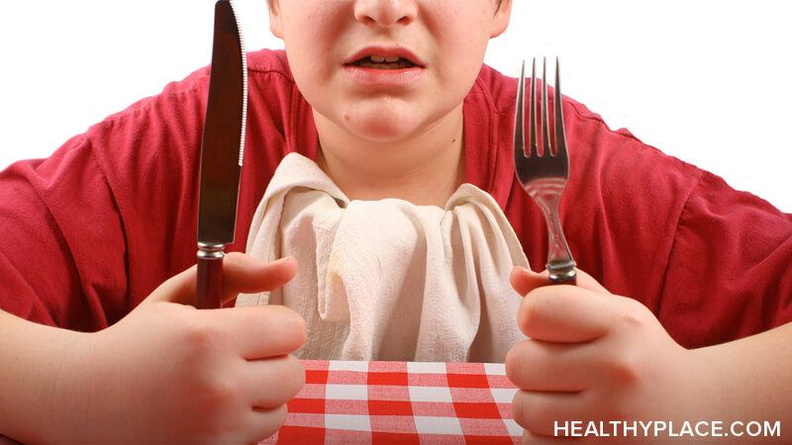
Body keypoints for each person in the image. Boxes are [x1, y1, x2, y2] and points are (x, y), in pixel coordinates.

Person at [0, 0, 789, 443]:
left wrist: (700, 396)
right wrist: (72, 390)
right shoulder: (181, 145)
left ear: (501, 4)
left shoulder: (579, 171)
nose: (383, 6)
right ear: (273, 3)